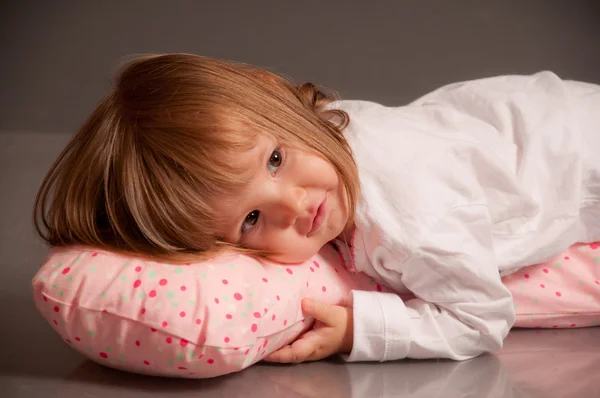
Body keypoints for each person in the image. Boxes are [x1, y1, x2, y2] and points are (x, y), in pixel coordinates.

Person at [34, 53, 600, 363]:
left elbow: (482, 319)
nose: (295, 207)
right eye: (250, 220)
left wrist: (363, 329)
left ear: (275, 99)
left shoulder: (410, 221)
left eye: (275, 159)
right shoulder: (323, 133)